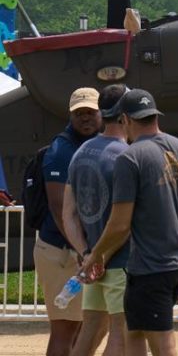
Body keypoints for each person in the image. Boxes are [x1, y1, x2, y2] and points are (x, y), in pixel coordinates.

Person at [81, 89, 178, 356]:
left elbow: (120, 224)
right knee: (134, 331)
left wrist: (95, 255)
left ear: (126, 119)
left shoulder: (130, 158)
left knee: (162, 343)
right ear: (154, 115)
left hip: (152, 267)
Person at [62, 84, 130, 356]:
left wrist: (87, 254)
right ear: (126, 114)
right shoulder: (127, 156)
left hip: (91, 259)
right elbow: (124, 220)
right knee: (121, 335)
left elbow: (68, 213)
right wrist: (101, 256)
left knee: (88, 334)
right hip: (121, 261)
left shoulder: (81, 152)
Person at [37, 87, 102, 356]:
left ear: (101, 113)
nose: (85, 118)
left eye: (90, 112)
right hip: (62, 250)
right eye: (79, 113)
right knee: (66, 330)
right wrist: (81, 249)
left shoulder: (100, 143)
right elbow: (58, 206)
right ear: (70, 115)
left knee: (89, 328)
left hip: (84, 251)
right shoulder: (61, 150)